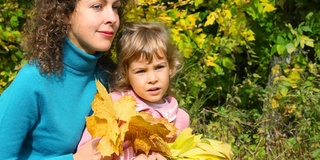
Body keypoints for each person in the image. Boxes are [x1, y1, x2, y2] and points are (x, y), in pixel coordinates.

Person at [0, 0, 129, 159]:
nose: (113, 17)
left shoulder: (111, 76)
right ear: (65, 14)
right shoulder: (33, 79)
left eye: (115, 7)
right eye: (97, 6)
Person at [78, 22, 190, 159]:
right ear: (126, 74)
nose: (152, 78)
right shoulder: (115, 106)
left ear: (171, 68)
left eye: (159, 67)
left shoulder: (179, 118)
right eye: (141, 71)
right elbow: (88, 152)